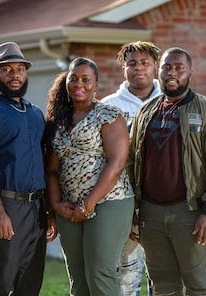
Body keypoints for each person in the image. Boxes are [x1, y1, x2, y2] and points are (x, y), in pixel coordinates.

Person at [127, 47, 206, 296]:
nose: (172, 72)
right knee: (163, 288)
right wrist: (133, 208)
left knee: (199, 286)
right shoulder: (146, 111)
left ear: (190, 73)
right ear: (159, 71)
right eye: (167, 67)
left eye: (179, 68)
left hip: (191, 213)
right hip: (150, 214)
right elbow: (132, 161)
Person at [0, 41, 56, 296]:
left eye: (20, 68)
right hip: (5, 204)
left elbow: (42, 162)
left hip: (35, 208)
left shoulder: (35, 113)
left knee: (30, 284)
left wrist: (48, 210)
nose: (15, 74)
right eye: (7, 69)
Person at [44, 57, 135, 296]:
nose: (79, 84)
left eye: (86, 79)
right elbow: (52, 169)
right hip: (68, 206)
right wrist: (54, 204)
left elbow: (117, 163)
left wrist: (89, 203)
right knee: (78, 275)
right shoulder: (58, 122)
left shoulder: (108, 115)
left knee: (99, 271)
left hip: (108, 202)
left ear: (96, 84)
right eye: (73, 78)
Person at [102, 40, 161, 296]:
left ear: (156, 67)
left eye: (145, 63)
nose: (139, 68)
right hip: (122, 202)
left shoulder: (172, 103)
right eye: (132, 63)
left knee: (163, 276)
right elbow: (102, 161)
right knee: (127, 277)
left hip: (163, 204)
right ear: (123, 68)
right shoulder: (108, 106)